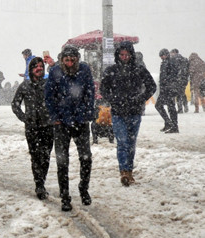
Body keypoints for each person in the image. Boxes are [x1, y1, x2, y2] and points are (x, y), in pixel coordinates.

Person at [45, 45, 95, 211]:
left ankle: (84, 188)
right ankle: (65, 196)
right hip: (62, 122)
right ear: (62, 60)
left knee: (86, 157)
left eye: (72, 59)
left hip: (80, 120)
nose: (69, 62)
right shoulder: (55, 72)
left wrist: (88, 112)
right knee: (62, 161)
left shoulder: (84, 70)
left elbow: (90, 92)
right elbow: (49, 96)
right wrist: (55, 117)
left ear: (77, 59)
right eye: (66, 60)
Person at [100, 41, 157, 187]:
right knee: (122, 142)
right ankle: (123, 171)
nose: (124, 57)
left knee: (131, 143)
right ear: (117, 55)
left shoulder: (139, 70)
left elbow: (151, 86)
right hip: (118, 112)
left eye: (127, 54)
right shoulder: (111, 70)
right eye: (122, 54)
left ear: (131, 55)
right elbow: (103, 89)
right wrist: (113, 99)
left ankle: (129, 170)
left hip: (134, 112)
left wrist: (140, 99)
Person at [11, 57, 53, 200]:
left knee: (46, 156)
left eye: (41, 66)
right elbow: (15, 105)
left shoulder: (49, 84)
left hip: (48, 126)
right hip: (32, 127)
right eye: (36, 66)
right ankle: (39, 185)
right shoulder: (24, 86)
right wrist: (24, 118)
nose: (39, 68)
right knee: (35, 157)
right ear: (31, 69)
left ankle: (42, 181)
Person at [155, 49, 181, 133]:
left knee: (168, 107)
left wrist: (166, 81)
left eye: (162, 55)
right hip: (165, 88)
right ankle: (169, 123)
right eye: (160, 56)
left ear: (166, 54)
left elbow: (174, 75)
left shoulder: (170, 62)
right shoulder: (165, 62)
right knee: (165, 106)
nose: (161, 57)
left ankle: (172, 125)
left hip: (168, 88)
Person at [170, 49, 190, 113]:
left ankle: (180, 109)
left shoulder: (173, 59)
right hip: (184, 80)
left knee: (177, 94)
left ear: (174, 53)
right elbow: (188, 70)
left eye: (171, 53)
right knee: (182, 93)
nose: (171, 54)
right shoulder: (185, 59)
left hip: (176, 79)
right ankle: (185, 105)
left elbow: (173, 70)